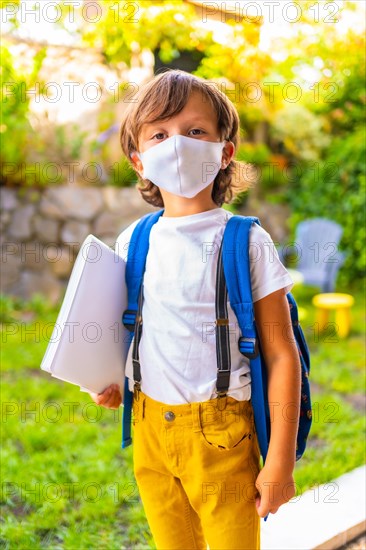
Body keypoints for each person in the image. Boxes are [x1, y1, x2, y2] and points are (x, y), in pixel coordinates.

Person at [89, 69, 301, 550]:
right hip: (148, 431)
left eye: (195, 131)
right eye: (160, 134)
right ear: (139, 161)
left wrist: (281, 461)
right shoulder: (132, 241)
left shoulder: (245, 241)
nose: (178, 144)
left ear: (224, 152)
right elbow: (132, 327)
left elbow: (282, 353)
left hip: (222, 436)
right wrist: (107, 377)